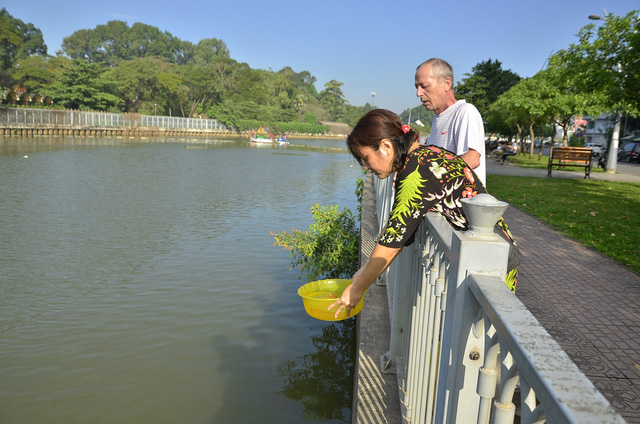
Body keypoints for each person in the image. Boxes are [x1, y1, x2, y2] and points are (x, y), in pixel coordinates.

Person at [329, 109, 519, 319]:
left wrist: (358, 289)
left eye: (365, 158)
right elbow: (399, 223)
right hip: (494, 251)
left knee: (487, 335)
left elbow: (394, 240)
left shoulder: (416, 170)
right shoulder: (427, 155)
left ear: (385, 146)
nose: (366, 167)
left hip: (491, 264)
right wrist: (365, 270)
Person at [415, 58, 486, 185]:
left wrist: (427, 182)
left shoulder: (465, 111)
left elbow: (473, 158)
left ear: (447, 83)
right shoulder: (439, 118)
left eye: (424, 86)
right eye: (417, 87)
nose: (418, 93)